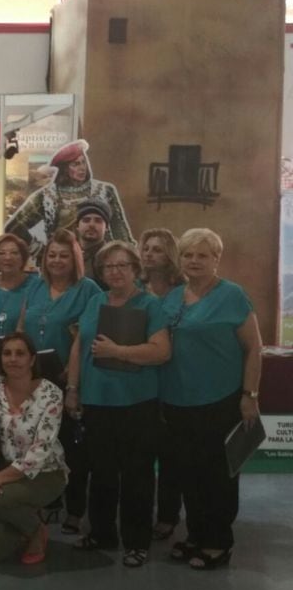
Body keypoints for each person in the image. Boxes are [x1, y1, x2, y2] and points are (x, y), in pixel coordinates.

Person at [160, 228, 262, 570]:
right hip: (176, 400)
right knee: (187, 472)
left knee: (217, 474)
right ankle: (195, 534)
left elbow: (254, 348)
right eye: (188, 255)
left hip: (220, 400)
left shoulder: (232, 295)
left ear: (216, 259)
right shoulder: (173, 297)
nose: (194, 261)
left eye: (202, 255)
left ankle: (218, 541)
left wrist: (250, 394)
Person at [66, 241, 170, 567]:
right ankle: (102, 533)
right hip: (97, 402)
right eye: (109, 267)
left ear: (135, 269)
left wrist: (118, 352)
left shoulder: (150, 305)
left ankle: (136, 541)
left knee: (137, 475)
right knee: (102, 473)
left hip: (137, 404)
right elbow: (79, 345)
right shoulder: (95, 301)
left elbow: (161, 351)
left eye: (122, 265)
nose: (115, 272)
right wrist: (72, 388)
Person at [19, 228, 101, 533]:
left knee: (72, 448)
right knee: (39, 444)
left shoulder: (89, 290)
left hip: (68, 378)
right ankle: (48, 502)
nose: (56, 260)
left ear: (75, 258)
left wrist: (72, 378)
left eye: (63, 255)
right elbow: (21, 326)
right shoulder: (34, 287)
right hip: (33, 379)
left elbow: (88, 336)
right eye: (51, 254)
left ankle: (75, 509)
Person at [0, 332, 67, 564]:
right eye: (7, 353)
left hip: (45, 473)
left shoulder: (51, 394)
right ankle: (21, 518)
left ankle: (36, 530)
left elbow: (38, 453)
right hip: (3, 469)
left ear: (32, 359)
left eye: (20, 353)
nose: (12, 359)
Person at [5, 138, 134, 264]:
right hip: (61, 265)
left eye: (83, 162)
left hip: (101, 264)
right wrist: (41, 251)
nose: (82, 168)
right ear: (64, 168)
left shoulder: (105, 191)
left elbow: (121, 234)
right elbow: (14, 229)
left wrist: (125, 261)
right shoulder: (47, 196)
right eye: (75, 164)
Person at [139, 227, 185, 541]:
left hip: (175, 381)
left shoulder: (182, 290)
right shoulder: (134, 288)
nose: (150, 254)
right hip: (139, 380)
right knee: (140, 455)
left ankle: (168, 515)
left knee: (171, 456)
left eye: (157, 249)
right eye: (146, 249)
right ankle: (139, 510)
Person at [76, 199, 113, 285]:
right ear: (77, 226)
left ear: (106, 227)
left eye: (98, 221)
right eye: (86, 220)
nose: (91, 225)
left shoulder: (113, 257)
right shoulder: (67, 255)